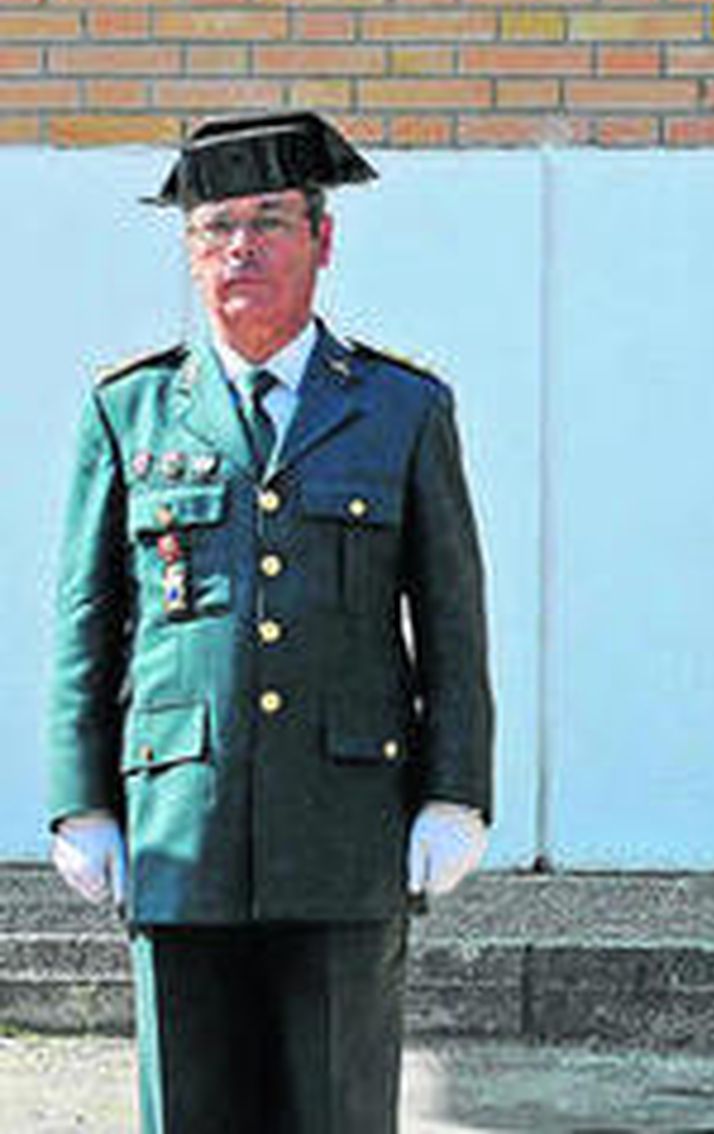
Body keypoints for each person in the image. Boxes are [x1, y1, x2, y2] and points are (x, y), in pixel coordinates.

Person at [45, 111, 495, 1134]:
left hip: (344, 825)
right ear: (189, 252)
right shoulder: (131, 409)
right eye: (212, 227)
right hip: (178, 827)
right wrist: (81, 800)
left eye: (266, 221)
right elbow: (87, 619)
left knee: (336, 1107)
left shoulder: (400, 408)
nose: (238, 247)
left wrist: (455, 790)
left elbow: (453, 616)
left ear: (322, 240)